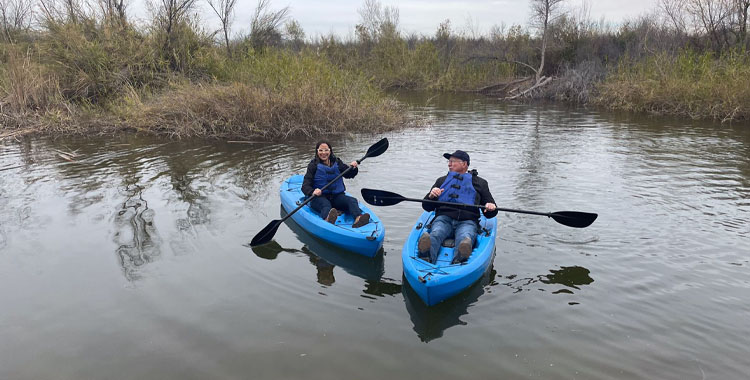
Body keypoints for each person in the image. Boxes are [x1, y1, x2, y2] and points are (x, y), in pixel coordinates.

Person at [419, 150, 497, 264]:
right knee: (436, 232)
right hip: (444, 218)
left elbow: (490, 214)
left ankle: (461, 256)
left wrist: (490, 207)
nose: (449, 164)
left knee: (465, 236)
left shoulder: (480, 183)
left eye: (452, 161)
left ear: (464, 164)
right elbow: (427, 207)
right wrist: (431, 196)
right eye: (449, 161)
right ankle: (426, 254)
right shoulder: (442, 181)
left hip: (468, 221)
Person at [302, 140, 370, 228]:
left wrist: (353, 168)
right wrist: (313, 191)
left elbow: (349, 174)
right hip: (319, 198)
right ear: (317, 151)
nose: (324, 153)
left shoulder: (337, 162)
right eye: (321, 150)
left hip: (336, 197)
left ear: (330, 151)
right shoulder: (313, 166)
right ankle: (328, 219)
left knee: (352, 200)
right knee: (326, 205)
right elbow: (305, 186)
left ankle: (358, 218)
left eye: (326, 150)